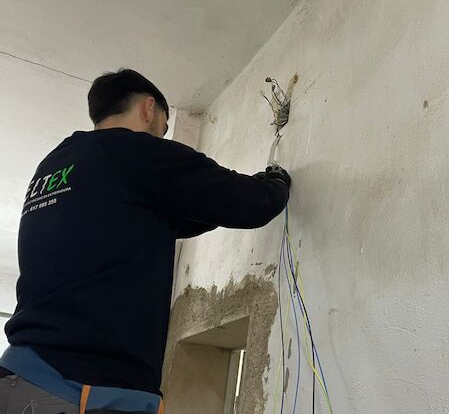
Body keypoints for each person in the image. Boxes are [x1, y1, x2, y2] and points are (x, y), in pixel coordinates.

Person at [0, 69, 291, 413]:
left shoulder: (56, 164)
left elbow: (164, 219)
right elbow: (246, 203)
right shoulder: (135, 151)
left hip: (20, 376)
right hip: (79, 387)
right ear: (149, 108)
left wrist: (210, 207)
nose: (161, 137)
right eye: (164, 128)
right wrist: (274, 183)